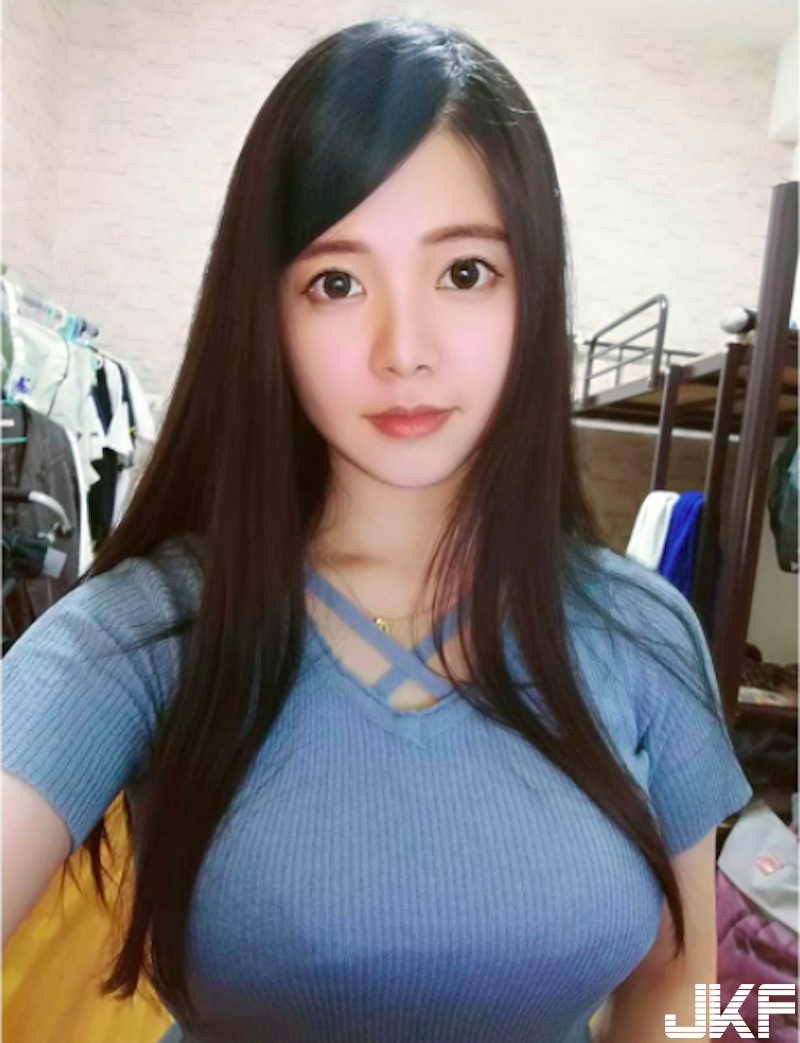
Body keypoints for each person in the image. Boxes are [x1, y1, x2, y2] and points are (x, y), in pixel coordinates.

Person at [2, 17, 753, 1043]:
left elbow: (682, 983)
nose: (405, 350)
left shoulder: (647, 635)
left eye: (464, 273)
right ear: (266, 315)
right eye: (337, 281)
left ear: (534, 294)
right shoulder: (143, 632)